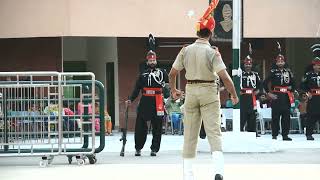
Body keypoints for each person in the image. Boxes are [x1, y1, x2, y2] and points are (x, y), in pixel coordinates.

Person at [168, 1, 239, 179]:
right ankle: (218, 172)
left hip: (190, 91)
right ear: (211, 32)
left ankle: (188, 175)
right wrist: (233, 94)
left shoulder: (186, 50)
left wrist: (174, 90)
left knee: (189, 136)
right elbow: (225, 77)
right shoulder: (212, 53)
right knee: (214, 133)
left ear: (197, 31)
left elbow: (172, 73)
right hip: (209, 91)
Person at [125, 50, 168, 156]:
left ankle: (154, 149)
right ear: (147, 61)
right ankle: (138, 147)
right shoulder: (143, 74)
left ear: (156, 61)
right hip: (145, 101)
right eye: (150, 60)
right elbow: (137, 88)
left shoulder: (163, 72)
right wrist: (131, 99)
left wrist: (168, 98)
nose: (152, 62)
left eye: (154, 60)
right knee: (140, 125)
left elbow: (167, 86)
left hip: (158, 101)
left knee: (157, 126)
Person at [263, 43, 296, 141]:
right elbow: (264, 83)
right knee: (275, 117)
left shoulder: (288, 72)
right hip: (276, 96)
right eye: (279, 61)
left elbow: (294, 83)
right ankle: (274, 134)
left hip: (286, 97)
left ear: (284, 62)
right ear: (276, 62)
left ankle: (285, 135)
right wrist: (269, 93)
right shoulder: (273, 72)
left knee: (286, 117)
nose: (280, 62)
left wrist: (292, 90)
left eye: (282, 61)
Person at [240, 46, 262, 135]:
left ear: (251, 65)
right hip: (243, 98)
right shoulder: (240, 74)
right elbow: (235, 84)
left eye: (249, 64)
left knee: (252, 116)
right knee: (242, 117)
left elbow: (260, 84)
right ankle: (240, 133)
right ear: (244, 64)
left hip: (252, 98)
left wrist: (259, 91)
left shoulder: (255, 74)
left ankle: (252, 134)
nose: (248, 66)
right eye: (246, 64)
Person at [300, 44, 320, 140]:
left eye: (319, 65)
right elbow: (302, 85)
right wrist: (307, 92)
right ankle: (309, 134)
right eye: (316, 65)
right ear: (313, 66)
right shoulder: (309, 75)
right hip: (313, 97)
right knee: (311, 116)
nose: (318, 67)